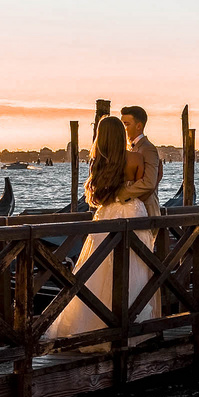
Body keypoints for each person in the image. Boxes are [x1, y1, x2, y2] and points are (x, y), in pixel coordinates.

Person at [47, 114, 159, 340]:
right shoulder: (136, 159)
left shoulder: (97, 162)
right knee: (135, 265)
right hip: (132, 212)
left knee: (97, 267)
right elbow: (143, 189)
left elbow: (95, 198)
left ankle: (93, 324)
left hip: (107, 214)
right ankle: (131, 322)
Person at [119, 106, 162, 216]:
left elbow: (149, 183)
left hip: (146, 210)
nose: (123, 128)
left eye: (126, 124)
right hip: (132, 208)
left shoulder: (148, 148)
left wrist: (121, 195)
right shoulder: (132, 148)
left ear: (139, 126)